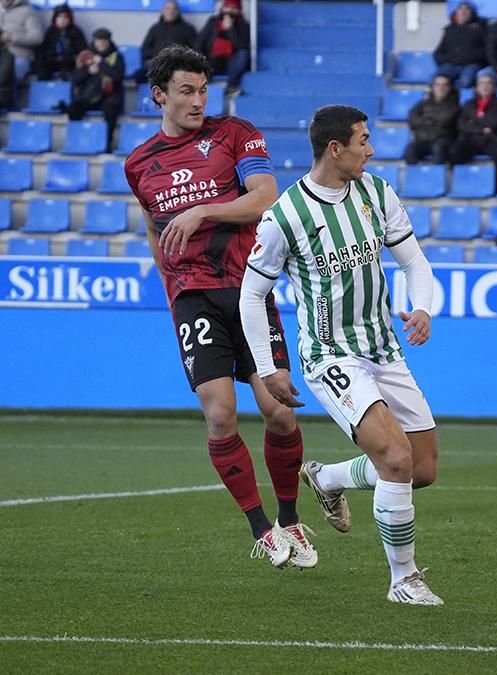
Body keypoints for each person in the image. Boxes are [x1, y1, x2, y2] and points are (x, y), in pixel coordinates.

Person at [238, 104, 444, 606]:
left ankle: (327, 477)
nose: (371, 150)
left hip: (383, 348)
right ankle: (404, 579)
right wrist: (267, 370)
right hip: (331, 356)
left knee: (421, 470)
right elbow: (251, 295)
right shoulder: (285, 216)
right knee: (394, 458)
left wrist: (423, 308)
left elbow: (413, 260)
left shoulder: (377, 192)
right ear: (336, 148)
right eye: (363, 140)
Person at [123, 45, 312, 570]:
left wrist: (202, 211)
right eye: (186, 91)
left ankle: (291, 516)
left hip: (249, 290)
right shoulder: (140, 164)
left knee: (277, 411)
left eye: (204, 89)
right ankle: (263, 530)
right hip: (194, 296)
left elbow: (265, 196)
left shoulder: (236, 133)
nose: (198, 100)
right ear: (159, 95)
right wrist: (169, 285)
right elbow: (154, 226)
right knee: (220, 414)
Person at [449, 71, 497, 194]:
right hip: (474, 139)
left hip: (494, 139)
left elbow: (494, 122)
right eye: (481, 83)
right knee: (455, 151)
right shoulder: (468, 104)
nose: (485, 86)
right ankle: (462, 186)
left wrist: (473, 120)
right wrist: (481, 129)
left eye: (489, 83)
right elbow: (461, 125)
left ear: (495, 87)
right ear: (476, 87)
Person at [64, 29, 125, 153]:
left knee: (111, 111)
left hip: (109, 96)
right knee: (73, 109)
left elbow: (118, 76)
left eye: (104, 41)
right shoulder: (86, 55)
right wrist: (88, 72)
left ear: (108, 41)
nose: (101, 44)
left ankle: (107, 143)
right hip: (89, 95)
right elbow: (75, 78)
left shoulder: (116, 56)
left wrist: (102, 64)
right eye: (98, 41)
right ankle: (77, 141)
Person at [135, 0, 198, 82]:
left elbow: (195, 50)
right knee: (138, 76)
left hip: (178, 64)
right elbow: (145, 49)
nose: (170, 12)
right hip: (157, 63)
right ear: (163, 11)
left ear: (178, 12)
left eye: (173, 9)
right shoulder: (155, 28)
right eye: (167, 9)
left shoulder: (187, 29)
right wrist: (157, 55)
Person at [196, 0, 250, 94]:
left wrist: (230, 30)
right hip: (213, 58)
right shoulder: (213, 22)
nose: (230, 10)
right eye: (228, 7)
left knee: (243, 54)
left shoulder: (244, 26)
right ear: (223, 8)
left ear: (239, 10)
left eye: (234, 8)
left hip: (231, 61)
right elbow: (201, 41)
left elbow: (241, 46)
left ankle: (231, 86)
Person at [404, 74, 459, 165]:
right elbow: (412, 118)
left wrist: (425, 119)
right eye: (437, 84)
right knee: (410, 149)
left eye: (445, 85)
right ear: (432, 87)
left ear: (450, 88)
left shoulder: (454, 105)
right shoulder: (423, 103)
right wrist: (431, 121)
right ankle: (413, 178)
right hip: (423, 139)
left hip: (442, 140)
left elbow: (445, 121)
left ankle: (438, 177)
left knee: (439, 148)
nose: (441, 88)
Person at [433, 0, 488, 91]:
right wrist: (450, 59)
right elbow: (438, 53)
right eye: (460, 9)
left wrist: (468, 57)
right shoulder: (449, 30)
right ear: (457, 12)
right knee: (434, 80)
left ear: (472, 13)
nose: (463, 12)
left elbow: (486, 52)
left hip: (471, 65)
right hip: (451, 65)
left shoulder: (481, 29)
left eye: (467, 9)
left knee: (466, 81)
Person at [0, 0, 43, 109]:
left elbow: (37, 38)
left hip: (18, 56)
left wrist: (11, 37)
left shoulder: (28, 11)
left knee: (6, 74)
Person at [33, 4, 85, 82]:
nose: (62, 19)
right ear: (55, 18)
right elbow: (42, 50)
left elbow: (82, 50)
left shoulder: (76, 31)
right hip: (52, 61)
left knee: (68, 75)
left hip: (69, 63)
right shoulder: (50, 31)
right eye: (59, 16)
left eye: (65, 17)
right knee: (42, 72)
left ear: (70, 18)